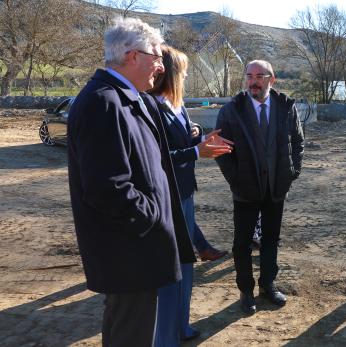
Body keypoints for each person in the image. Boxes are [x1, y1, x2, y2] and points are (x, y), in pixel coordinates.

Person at [67, 17, 195, 346]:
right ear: (132, 56)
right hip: (130, 253)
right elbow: (107, 188)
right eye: (156, 55)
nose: (161, 66)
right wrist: (152, 217)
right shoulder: (103, 102)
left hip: (139, 250)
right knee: (130, 336)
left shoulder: (129, 97)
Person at [148, 45, 233, 343]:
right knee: (170, 270)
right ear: (171, 74)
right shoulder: (150, 108)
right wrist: (197, 151)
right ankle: (166, 335)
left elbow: (182, 141)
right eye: (182, 71)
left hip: (185, 193)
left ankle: (181, 326)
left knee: (185, 265)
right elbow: (157, 157)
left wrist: (199, 137)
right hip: (165, 197)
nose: (185, 76)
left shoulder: (177, 104)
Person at [215, 60, 304, 314]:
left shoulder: (285, 107)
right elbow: (222, 150)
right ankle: (246, 290)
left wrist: (292, 173)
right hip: (245, 190)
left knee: (271, 239)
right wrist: (236, 179)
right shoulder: (233, 109)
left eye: (259, 76)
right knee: (242, 243)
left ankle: (268, 284)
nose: (253, 81)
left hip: (276, 188)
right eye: (249, 76)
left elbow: (297, 142)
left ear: (271, 79)